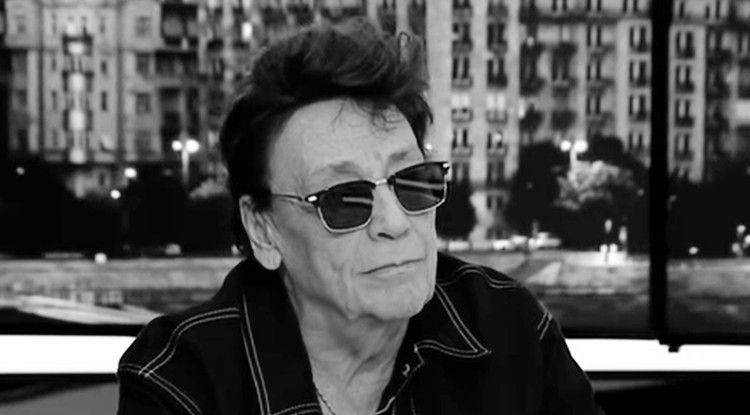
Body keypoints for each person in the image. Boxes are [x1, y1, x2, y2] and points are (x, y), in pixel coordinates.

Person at [118, 17, 604, 415]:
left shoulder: (509, 329)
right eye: (345, 199)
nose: (395, 223)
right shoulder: (183, 382)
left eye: (412, 181)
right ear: (263, 229)